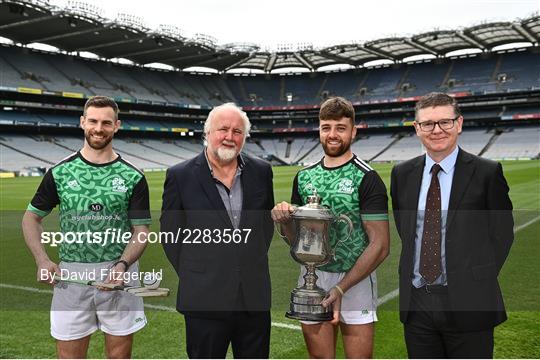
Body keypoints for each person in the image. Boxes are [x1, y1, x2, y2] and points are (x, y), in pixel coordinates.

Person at [21, 96, 152, 358]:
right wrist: (42, 261)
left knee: (119, 357)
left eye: (106, 122)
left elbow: (141, 232)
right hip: (71, 277)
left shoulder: (133, 176)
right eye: (92, 121)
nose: (98, 128)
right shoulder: (60, 172)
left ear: (117, 125)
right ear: (82, 122)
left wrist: (122, 266)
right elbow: (31, 218)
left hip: (119, 275)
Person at [390, 92, 514, 358]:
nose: (436, 130)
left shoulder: (487, 172)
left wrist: (475, 278)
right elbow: (406, 229)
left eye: (444, 122)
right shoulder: (401, 174)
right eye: (428, 124)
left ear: (459, 124)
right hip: (417, 302)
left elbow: (502, 235)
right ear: (417, 128)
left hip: (470, 301)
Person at [272, 97, 390, 358]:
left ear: (353, 131)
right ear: (319, 130)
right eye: (326, 127)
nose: (332, 134)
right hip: (312, 278)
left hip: (355, 279)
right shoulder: (304, 177)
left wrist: (341, 288)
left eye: (340, 127)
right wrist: (284, 222)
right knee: (320, 358)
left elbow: (380, 245)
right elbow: (298, 241)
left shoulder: (367, 177)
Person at [160, 103, 275, 358]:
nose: (230, 137)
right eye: (223, 129)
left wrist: (244, 262)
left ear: (244, 137)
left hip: (253, 299)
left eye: (237, 132)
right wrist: (199, 272)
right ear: (208, 132)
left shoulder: (261, 172)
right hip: (204, 299)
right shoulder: (180, 176)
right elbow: (171, 235)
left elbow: (264, 229)